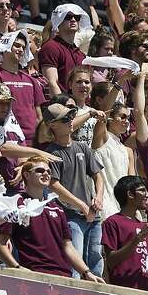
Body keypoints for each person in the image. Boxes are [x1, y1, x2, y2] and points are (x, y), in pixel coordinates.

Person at [0, 157, 104, 281]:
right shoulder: (16, 203)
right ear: (26, 175)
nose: (46, 173)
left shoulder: (57, 208)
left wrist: (86, 272)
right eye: (40, 170)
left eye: (49, 171)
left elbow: (67, 246)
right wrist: (17, 268)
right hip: (33, 277)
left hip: (63, 277)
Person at [41, 101, 105, 277]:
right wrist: (81, 205)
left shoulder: (82, 147)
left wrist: (98, 197)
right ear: (52, 125)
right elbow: (54, 185)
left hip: (92, 214)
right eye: (65, 118)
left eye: (71, 116)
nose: (71, 120)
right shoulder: (52, 152)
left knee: (95, 260)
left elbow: (98, 176)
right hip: (70, 215)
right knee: (75, 265)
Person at [101, 174, 148, 291]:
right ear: (130, 194)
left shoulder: (146, 227)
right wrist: (138, 238)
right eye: (142, 190)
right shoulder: (112, 222)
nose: (147, 195)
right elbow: (111, 261)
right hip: (123, 291)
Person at [38, 4, 88, 95]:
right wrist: (65, 106)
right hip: (59, 105)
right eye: (68, 17)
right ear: (58, 20)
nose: (73, 20)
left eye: (77, 17)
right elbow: (51, 83)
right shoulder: (50, 47)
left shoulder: (80, 54)